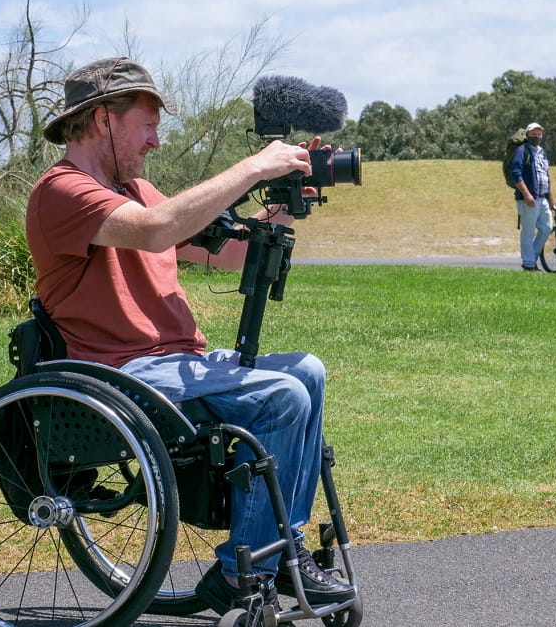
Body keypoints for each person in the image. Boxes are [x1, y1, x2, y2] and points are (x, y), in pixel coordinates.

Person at [25, 56, 353, 614]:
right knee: (282, 396)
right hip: (122, 374)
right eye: (147, 125)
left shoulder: (143, 192)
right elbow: (157, 232)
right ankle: (246, 571)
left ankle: (283, 550)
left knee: (306, 371)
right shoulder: (62, 192)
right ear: (103, 119)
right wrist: (251, 166)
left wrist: (289, 200)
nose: (154, 141)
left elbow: (229, 254)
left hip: (174, 365)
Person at [509, 122, 555, 271]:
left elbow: (546, 176)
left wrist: (551, 199)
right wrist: (527, 195)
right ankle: (529, 264)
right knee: (528, 231)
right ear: (527, 135)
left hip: (542, 199)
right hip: (528, 199)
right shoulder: (522, 151)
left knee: (547, 228)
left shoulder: (542, 152)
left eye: (539, 134)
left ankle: (532, 259)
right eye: (534, 134)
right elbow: (515, 173)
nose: (537, 136)